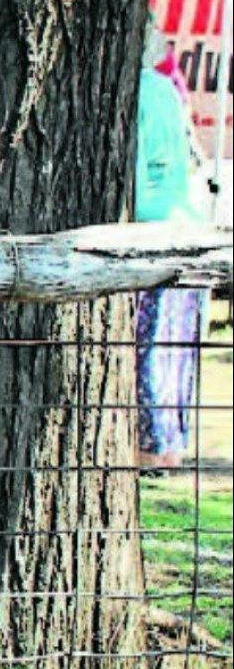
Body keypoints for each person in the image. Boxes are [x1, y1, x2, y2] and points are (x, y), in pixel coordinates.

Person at [132, 27, 207, 471]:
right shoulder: (165, 90)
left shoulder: (136, 93)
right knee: (176, 347)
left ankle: (147, 448)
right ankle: (169, 445)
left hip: (150, 232)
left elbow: (138, 173)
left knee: (147, 344)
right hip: (188, 225)